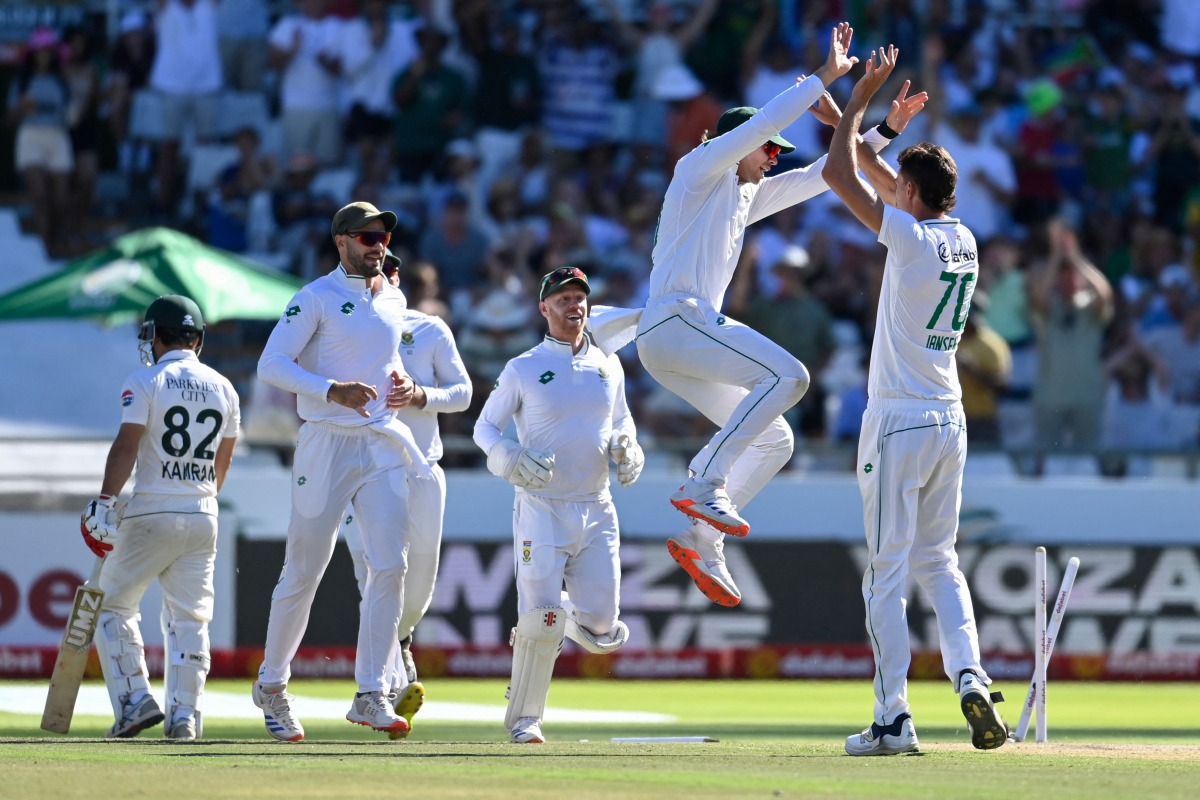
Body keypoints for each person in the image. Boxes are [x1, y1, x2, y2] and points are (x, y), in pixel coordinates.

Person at [631, 23, 925, 607]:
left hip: (681, 346)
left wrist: (883, 128)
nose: (772, 157)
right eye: (767, 151)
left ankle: (700, 535)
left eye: (773, 154)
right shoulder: (698, 171)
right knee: (790, 377)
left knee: (775, 441)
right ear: (736, 143)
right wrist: (828, 75)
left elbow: (823, 177)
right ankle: (704, 484)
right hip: (673, 320)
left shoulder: (742, 195)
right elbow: (764, 124)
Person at [820, 45, 1008, 755]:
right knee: (942, 562)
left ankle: (893, 718)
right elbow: (877, 178)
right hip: (949, 418)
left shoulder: (910, 242)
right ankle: (970, 677)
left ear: (909, 193)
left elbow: (843, 173)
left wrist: (862, 99)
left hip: (897, 419)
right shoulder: (961, 239)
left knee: (887, 573)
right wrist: (881, 133)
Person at [253, 201, 425, 741]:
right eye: (368, 237)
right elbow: (271, 364)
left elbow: (383, 357)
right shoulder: (315, 298)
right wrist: (333, 390)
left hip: (379, 445)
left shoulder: (395, 299)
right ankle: (272, 685)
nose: (379, 245)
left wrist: (402, 385)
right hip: (326, 443)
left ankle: (371, 691)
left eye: (383, 237)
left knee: (390, 565)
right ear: (341, 242)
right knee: (304, 569)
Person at [473, 266, 645, 744]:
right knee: (542, 617)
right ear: (544, 308)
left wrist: (629, 446)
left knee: (604, 629)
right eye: (564, 298)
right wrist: (507, 456)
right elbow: (484, 429)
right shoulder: (523, 367)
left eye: (580, 297)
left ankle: (547, 620)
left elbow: (622, 419)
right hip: (542, 506)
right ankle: (526, 719)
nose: (575, 305)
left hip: (596, 505)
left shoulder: (609, 364)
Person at [80, 295, 240, 741]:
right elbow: (221, 465)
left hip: (152, 506)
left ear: (154, 336)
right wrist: (196, 502)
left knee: (112, 603)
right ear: (199, 339)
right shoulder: (226, 387)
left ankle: (134, 700)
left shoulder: (145, 379)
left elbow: (127, 446)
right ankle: (185, 716)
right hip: (204, 510)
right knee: (190, 619)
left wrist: (106, 500)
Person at [340, 248, 472, 738]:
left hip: (420, 469)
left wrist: (419, 395)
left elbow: (462, 394)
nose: (379, 280)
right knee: (375, 572)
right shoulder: (342, 326)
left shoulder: (429, 330)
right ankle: (382, 688)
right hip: (362, 468)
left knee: (416, 589)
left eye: (386, 271)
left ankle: (400, 646)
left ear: (396, 278)